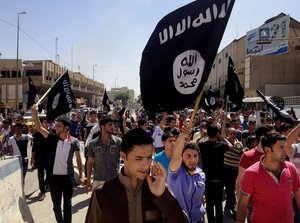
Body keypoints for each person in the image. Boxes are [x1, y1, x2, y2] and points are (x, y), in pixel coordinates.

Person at [85, 128, 187, 223]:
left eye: (149, 157)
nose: (146, 164)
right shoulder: (103, 193)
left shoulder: (158, 189)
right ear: (123, 156)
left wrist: (162, 196)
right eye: (139, 158)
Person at [31, 104, 83, 223]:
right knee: (56, 206)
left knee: (68, 204)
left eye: (59, 126)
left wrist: (81, 175)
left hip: (68, 178)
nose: (55, 127)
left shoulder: (74, 142)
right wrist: (34, 113)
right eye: (56, 125)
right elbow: (39, 128)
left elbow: (79, 160)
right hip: (54, 178)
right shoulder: (52, 138)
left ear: (66, 128)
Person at [237, 132, 300, 223]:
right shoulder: (251, 173)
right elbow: (242, 206)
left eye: (285, 147)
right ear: (268, 150)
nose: (286, 151)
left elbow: (298, 196)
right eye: (281, 147)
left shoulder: (291, 168)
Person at [168, 125, 206, 223]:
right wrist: (182, 136)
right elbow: (175, 156)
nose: (192, 160)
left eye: (195, 156)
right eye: (188, 156)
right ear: (182, 156)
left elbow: (201, 198)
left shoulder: (201, 174)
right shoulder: (176, 171)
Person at [199, 124, 232, 223]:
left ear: (207, 134)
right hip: (219, 178)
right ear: (216, 133)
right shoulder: (221, 145)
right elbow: (230, 145)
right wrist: (221, 137)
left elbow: (192, 143)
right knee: (218, 202)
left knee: (209, 203)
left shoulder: (203, 145)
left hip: (207, 178)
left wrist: (201, 136)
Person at [86, 117, 122, 192]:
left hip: (114, 180)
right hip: (98, 181)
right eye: (110, 124)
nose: (113, 127)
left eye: (113, 124)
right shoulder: (93, 144)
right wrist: (88, 180)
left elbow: (125, 159)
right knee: (99, 203)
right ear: (102, 127)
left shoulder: (118, 142)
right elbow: (89, 162)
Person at [30, 117, 51, 201]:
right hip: (40, 158)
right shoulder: (37, 134)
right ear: (41, 124)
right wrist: (32, 158)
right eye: (45, 122)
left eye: (47, 122)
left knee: (50, 174)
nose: (47, 124)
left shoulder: (51, 133)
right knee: (40, 176)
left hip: (49, 158)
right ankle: (42, 192)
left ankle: (46, 184)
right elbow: (34, 147)